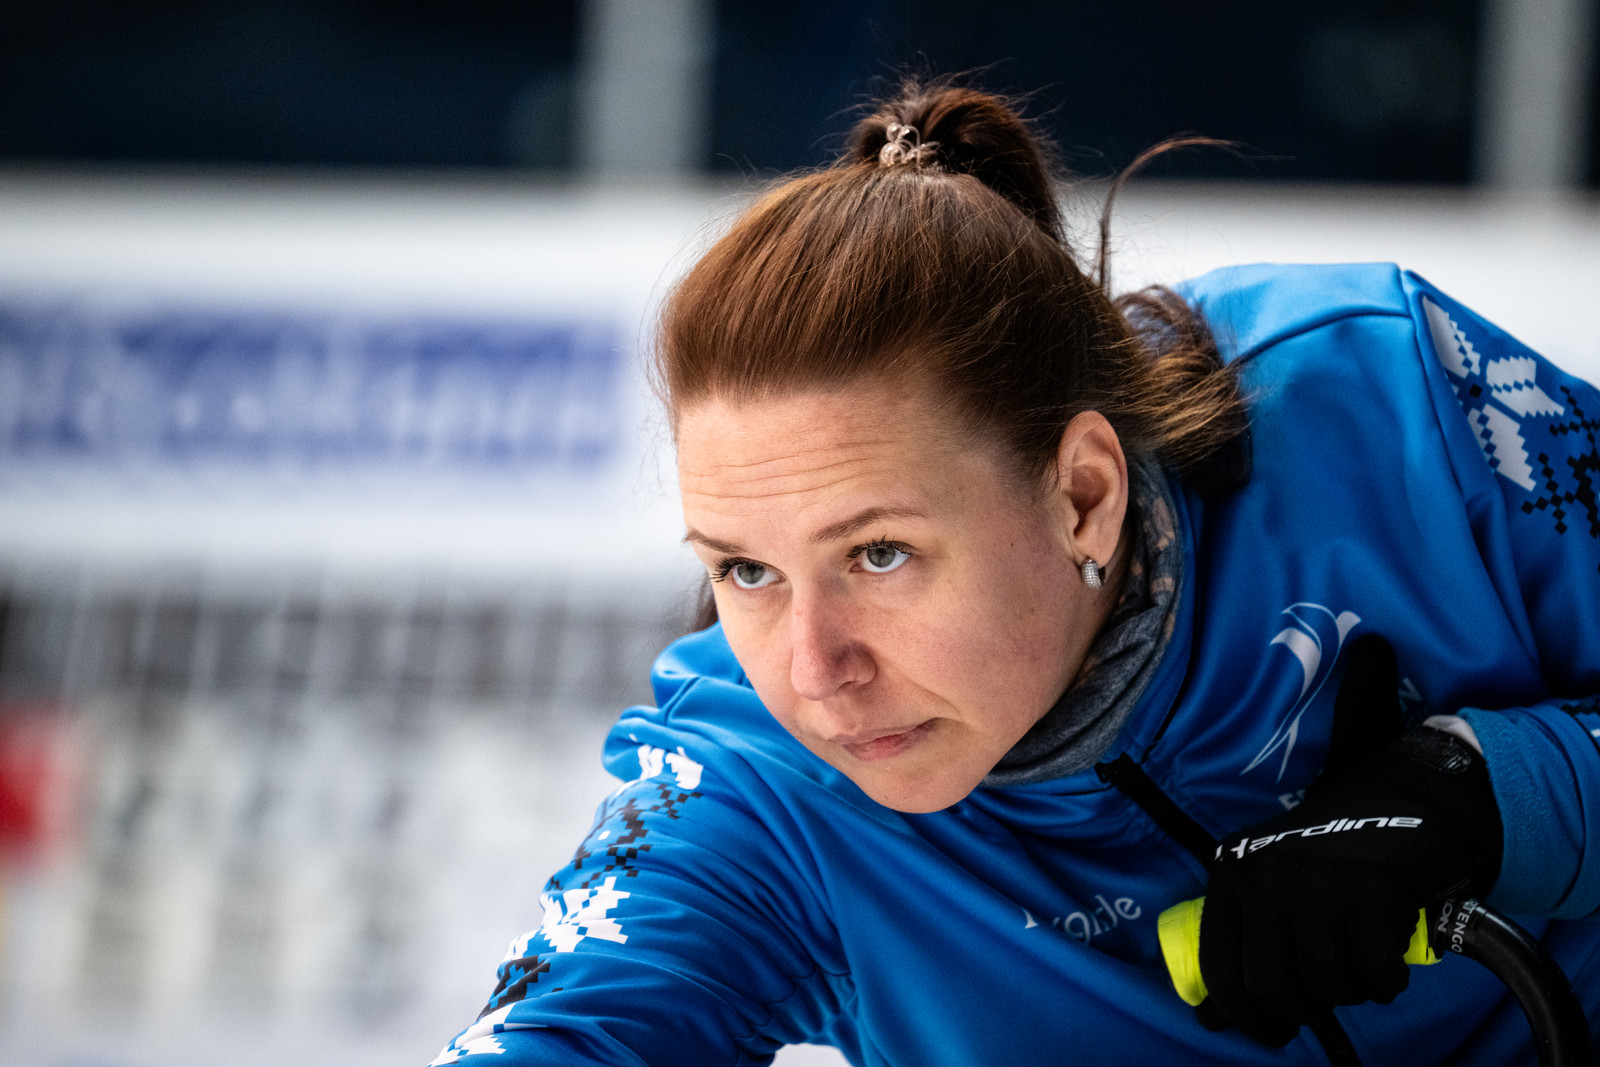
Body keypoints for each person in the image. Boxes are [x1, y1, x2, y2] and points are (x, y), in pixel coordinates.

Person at [431, 81, 1600, 1065]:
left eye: (879, 553)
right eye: (745, 569)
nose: (814, 671)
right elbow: (566, 1031)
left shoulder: (1395, 403)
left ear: (1082, 492)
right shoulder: (759, 789)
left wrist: (1486, 792)